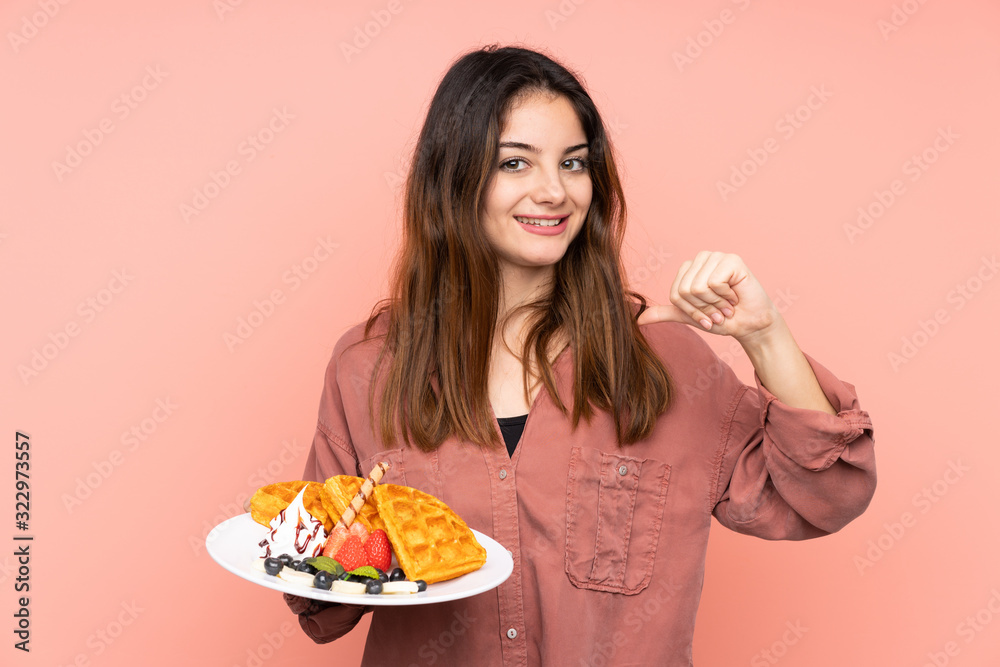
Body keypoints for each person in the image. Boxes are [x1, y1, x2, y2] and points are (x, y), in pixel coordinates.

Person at [281, 45, 876, 666]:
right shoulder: (368, 367)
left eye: (573, 163)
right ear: (453, 179)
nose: (554, 191)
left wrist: (765, 334)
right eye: (515, 163)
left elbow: (827, 493)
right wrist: (315, 554)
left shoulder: (665, 362)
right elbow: (325, 592)